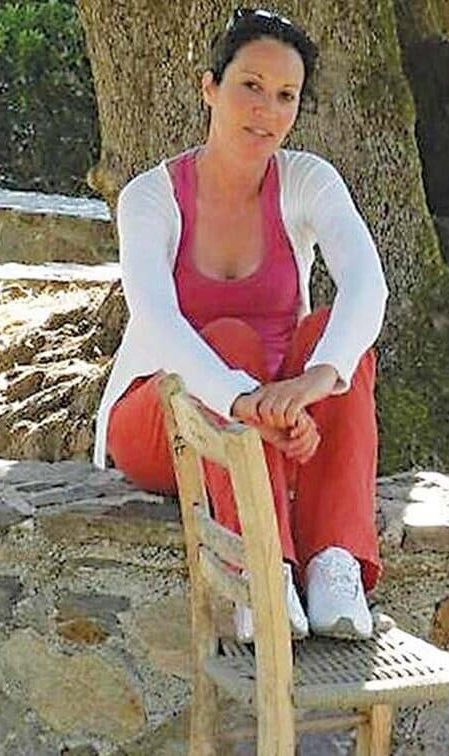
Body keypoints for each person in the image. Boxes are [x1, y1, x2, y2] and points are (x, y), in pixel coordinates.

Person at [92, 8, 388, 641]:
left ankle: (334, 566)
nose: (266, 109)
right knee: (230, 339)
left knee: (337, 340)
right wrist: (244, 399)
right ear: (210, 88)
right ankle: (264, 571)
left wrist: (310, 385)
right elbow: (156, 319)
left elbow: (368, 286)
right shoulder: (149, 197)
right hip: (164, 416)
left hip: (274, 422)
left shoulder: (308, 180)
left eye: (285, 95)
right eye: (250, 85)